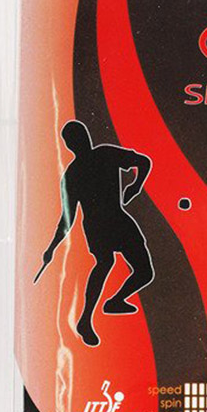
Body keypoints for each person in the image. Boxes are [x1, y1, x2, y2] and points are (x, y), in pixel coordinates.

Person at [35, 120, 154, 346]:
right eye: (78, 138)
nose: (82, 141)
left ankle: (114, 302)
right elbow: (67, 219)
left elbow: (144, 162)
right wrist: (51, 248)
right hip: (99, 225)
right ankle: (85, 320)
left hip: (114, 220)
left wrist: (135, 186)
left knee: (144, 272)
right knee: (105, 263)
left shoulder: (102, 156)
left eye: (82, 136)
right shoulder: (76, 172)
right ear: (72, 144)